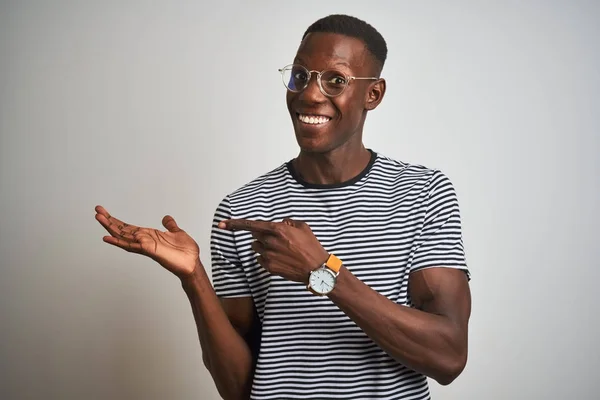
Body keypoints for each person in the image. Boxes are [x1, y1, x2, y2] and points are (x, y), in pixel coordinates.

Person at [95, 14, 471, 400]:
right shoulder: (242, 211)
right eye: (300, 75)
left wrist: (324, 273)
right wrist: (194, 280)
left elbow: (449, 356)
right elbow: (238, 388)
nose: (309, 94)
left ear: (372, 94)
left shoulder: (422, 193)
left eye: (335, 80)